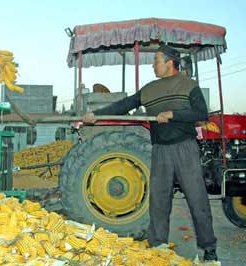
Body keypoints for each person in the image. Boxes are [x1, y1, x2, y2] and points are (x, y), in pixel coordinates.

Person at [83, 45, 218, 262]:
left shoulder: (188, 85)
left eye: (156, 60)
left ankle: (209, 250)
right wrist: (95, 115)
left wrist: (173, 114)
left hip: (185, 148)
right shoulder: (150, 89)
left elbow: (201, 113)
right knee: (158, 200)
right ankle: (159, 246)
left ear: (170, 62)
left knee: (197, 199)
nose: (153, 64)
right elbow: (125, 105)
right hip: (160, 150)